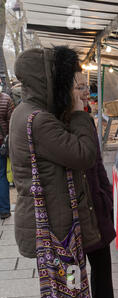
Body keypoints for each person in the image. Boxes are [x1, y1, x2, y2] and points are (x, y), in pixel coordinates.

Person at [9, 47, 101, 265]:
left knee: (61, 288)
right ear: (47, 78)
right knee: (66, 289)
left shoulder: (24, 111)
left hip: (49, 219)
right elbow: (84, 155)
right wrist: (79, 113)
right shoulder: (39, 120)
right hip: (55, 226)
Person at [73, 71, 116, 298]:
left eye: (85, 87)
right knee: (72, 279)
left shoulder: (86, 119)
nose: (85, 92)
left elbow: (97, 163)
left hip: (96, 209)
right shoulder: (56, 123)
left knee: (103, 272)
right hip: (74, 216)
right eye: (79, 87)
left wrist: (106, 196)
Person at [0, 90, 14, 219]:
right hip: (1, 145)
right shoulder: (5, 99)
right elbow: (11, 123)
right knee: (2, 175)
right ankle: (4, 210)